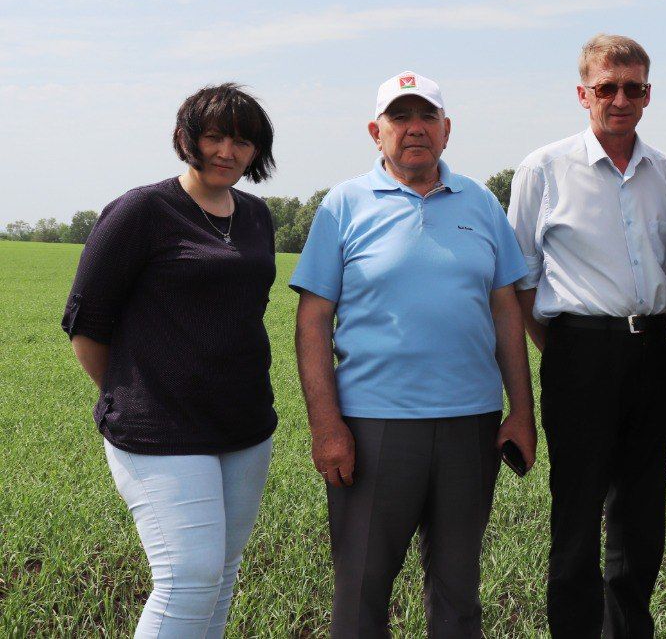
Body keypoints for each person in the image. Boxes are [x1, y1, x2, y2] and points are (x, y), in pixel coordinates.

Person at [291, 72, 536, 639]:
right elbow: (312, 323)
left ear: (447, 131)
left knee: (458, 592)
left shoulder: (480, 202)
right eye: (400, 118)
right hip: (374, 428)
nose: (414, 129)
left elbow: (505, 311)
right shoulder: (342, 206)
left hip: (469, 426)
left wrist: (521, 412)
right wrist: (326, 425)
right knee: (361, 592)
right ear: (376, 132)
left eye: (427, 117)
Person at [62, 83, 278, 638]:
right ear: (187, 138)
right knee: (186, 578)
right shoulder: (143, 210)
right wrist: (135, 392)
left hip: (244, 425)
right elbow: (87, 324)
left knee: (221, 577)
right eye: (214, 136)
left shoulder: (256, 217)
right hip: (159, 429)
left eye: (242, 141)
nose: (227, 151)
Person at [507, 34, 666, 637]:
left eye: (632, 87)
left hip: (652, 355)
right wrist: (559, 350)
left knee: (641, 522)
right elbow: (520, 280)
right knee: (577, 520)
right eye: (606, 87)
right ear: (582, 93)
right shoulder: (544, 169)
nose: (619, 98)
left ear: (648, 94)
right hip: (578, 354)